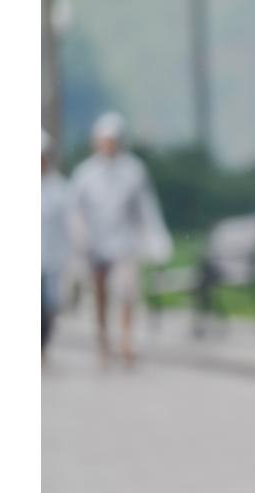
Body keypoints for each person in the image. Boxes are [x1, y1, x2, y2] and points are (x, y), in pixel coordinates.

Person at [71, 112, 171, 365]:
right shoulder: (85, 174)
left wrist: (156, 239)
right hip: (96, 242)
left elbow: (146, 209)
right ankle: (103, 337)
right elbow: (75, 211)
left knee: (127, 292)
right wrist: (79, 238)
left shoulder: (134, 171)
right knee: (100, 292)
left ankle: (126, 338)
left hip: (125, 241)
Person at [41, 130, 73, 363]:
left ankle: (43, 346)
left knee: (48, 306)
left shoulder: (60, 189)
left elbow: (70, 225)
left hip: (52, 257)